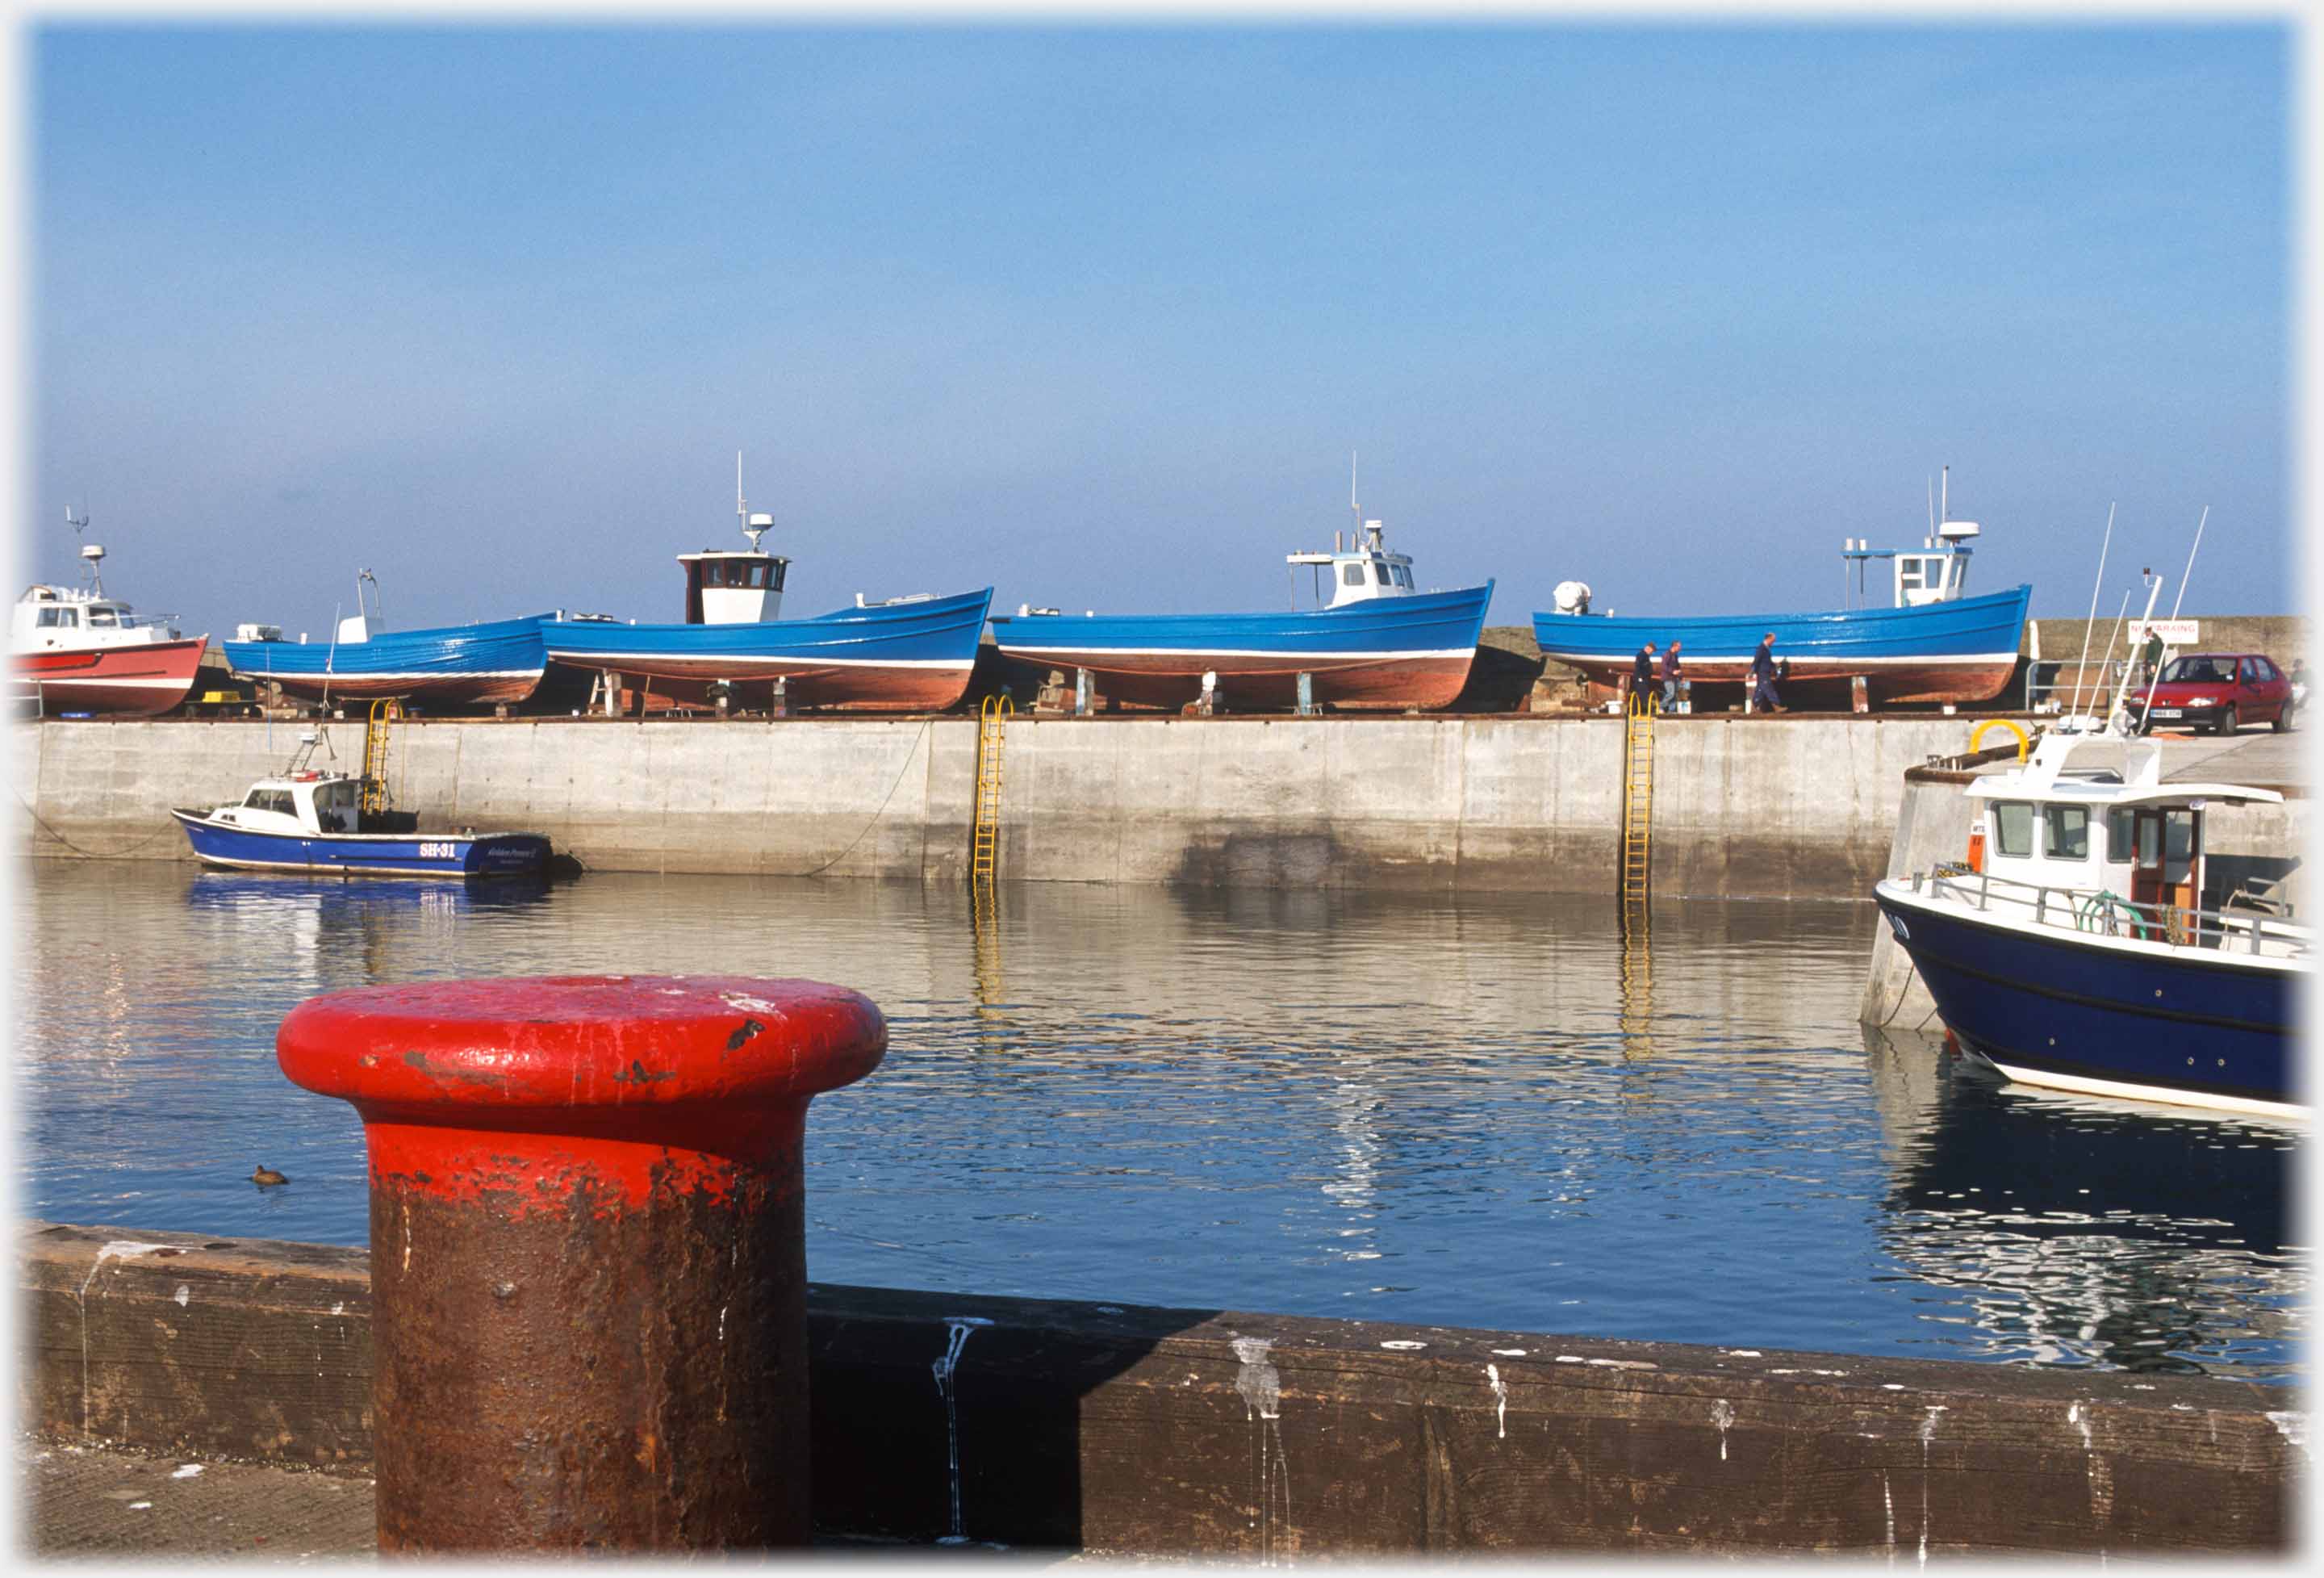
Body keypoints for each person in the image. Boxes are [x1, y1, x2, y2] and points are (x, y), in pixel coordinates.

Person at [1749, 633, 1780, 714]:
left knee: (1760, 690)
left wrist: (1775, 667)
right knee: (1769, 689)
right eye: (1773, 641)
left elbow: (1767, 661)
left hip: (1764, 671)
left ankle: (1753, 708)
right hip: (1763, 672)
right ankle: (1777, 707)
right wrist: (1752, 670)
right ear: (1768, 639)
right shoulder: (1762, 648)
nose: (1773, 643)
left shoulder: (1765, 648)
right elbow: (1757, 659)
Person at [1629, 643, 1657, 711]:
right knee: (1644, 693)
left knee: (1638, 694)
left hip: (1644, 678)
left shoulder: (1646, 656)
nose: (1652, 653)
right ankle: (1650, 709)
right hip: (1641, 679)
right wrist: (1640, 677)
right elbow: (1638, 667)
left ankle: (1634, 711)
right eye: (1652, 651)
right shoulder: (1641, 655)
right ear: (1648, 648)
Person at [1660, 640, 1684, 714]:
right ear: (1674, 646)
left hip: (1674, 678)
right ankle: (1660, 706)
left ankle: (1671, 710)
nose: (1680, 648)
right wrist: (1672, 671)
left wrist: (1681, 677)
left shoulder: (1675, 655)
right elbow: (1664, 666)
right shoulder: (1667, 654)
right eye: (1679, 646)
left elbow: (1678, 667)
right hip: (1667, 678)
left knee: (1674, 695)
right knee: (1671, 693)